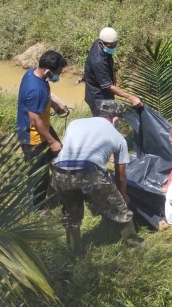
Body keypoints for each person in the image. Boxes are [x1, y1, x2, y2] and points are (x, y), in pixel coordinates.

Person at [52, 100, 144, 255]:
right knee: (121, 212)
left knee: (71, 216)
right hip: (88, 173)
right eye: (119, 120)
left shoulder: (75, 123)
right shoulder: (118, 138)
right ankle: (135, 246)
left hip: (59, 172)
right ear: (115, 119)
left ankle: (74, 253)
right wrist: (123, 196)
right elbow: (121, 177)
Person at [17, 50, 69, 214]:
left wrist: (55, 106)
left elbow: (44, 97)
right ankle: (38, 205)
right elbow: (35, 120)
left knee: (59, 156)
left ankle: (63, 188)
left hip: (43, 127)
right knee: (38, 172)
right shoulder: (35, 89)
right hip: (33, 134)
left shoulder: (33, 72)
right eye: (57, 74)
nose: (58, 76)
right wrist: (52, 141)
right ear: (48, 71)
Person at [83, 27, 143, 116]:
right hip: (98, 99)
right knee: (105, 124)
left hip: (104, 93)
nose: (113, 48)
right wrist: (131, 98)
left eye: (115, 45)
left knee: (112, 118)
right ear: (100, 43)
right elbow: (108, 86)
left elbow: (108, 58)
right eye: (110, 47)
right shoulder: (98, 61)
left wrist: (112, 74)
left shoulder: (100, 44)